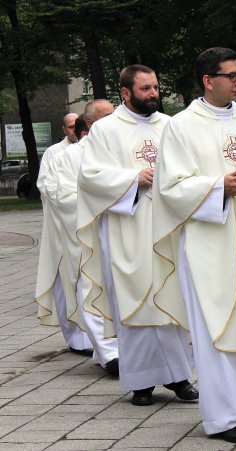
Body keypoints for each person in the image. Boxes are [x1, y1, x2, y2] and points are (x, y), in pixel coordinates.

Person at [152, 47, 236, 444]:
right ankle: (224, 418)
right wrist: (218, 187)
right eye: (231, 76)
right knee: (219, 328)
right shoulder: (181, 126)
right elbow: (170, 188)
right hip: (208, 244)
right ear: (207, 80)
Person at [77, 65, 197, 406]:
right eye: (145, 88)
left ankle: (179, 377)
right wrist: (132, 178)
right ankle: (141, 383)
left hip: (167, 227)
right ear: (126, 93)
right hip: (128, 229)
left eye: (156, 87)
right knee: (136, 305)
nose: (153, 94)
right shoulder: (105, 130)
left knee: (170, 300)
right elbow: (90, 177)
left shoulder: (171, 126)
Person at [54, 101, 120, 376]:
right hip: (91, 231)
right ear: (91, 123)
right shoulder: (71, 156)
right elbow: (63, 195)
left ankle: (126, 349)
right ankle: (109, 353)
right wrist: (100, 199)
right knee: (92, 288)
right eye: (108, 117)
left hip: (126, 230)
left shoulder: (120, 148)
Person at [34, 112, 93, 354]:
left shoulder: (93, 150)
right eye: (68, 127)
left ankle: (94, 337)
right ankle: (75, 338)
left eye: (74, 126)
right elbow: (44, 185)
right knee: (65, 280)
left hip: (84, 223)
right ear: (65, 129)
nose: (71, 130)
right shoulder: (54, 153)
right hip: (62, 224)